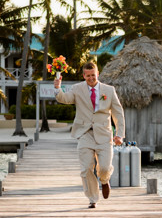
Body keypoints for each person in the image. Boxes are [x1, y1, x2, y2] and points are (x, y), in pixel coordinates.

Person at [53, 61, 125, 209]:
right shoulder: (77, 89)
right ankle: (92, 198)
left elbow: (118, 113)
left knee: (104, 168)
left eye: (93, 75)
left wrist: (120, 134)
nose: (91, 78)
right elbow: (64, 99)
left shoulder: (109, 90)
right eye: (88, 76)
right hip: (85, 133)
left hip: (104, 134)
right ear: (84, 75)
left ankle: (104, 181)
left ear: (97, 74)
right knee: (86, 168)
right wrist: (57, 88)